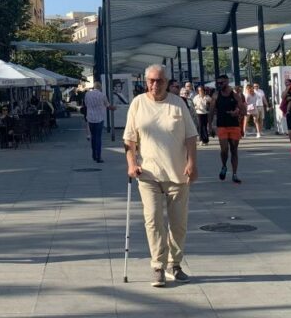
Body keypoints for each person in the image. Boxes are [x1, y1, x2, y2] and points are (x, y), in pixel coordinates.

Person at [124, 64, 198, 288]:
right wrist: (131, 164)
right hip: (148, 174)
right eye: (151, 81)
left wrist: (192, 162)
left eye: (160, 81)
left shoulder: (178, 104)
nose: (155, 85)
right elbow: (129, 139)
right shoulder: (138, 104)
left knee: (178, 224)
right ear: (145, 81)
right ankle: (158, 266)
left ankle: (174, 264)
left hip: (177, 174)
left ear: (167, 82)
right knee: (153, 220)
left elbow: (191, 137)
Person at [211, 75, 245, 184]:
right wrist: (209, 125)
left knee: (234, 150)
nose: (219, 85)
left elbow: (244, 110)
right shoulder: (216, 95)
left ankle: (234, 174)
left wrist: (237, 112)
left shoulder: (235, 95)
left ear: (227, 82)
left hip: (234, 125)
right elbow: (211, 111)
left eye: (222, 83)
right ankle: (224, 166)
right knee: (224, 149)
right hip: (222, 126)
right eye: (218, 83)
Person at [83, 81, 115, 163]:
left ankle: (94, 154)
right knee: (98, 137)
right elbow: (108, 106)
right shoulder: (102, 95)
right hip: (99, 118)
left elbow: (86, 104)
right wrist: (114, 108)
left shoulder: (87, 94)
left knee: (93, 137)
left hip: (90, 118)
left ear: (94, 87)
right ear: (100, 87)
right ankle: (98, 156)